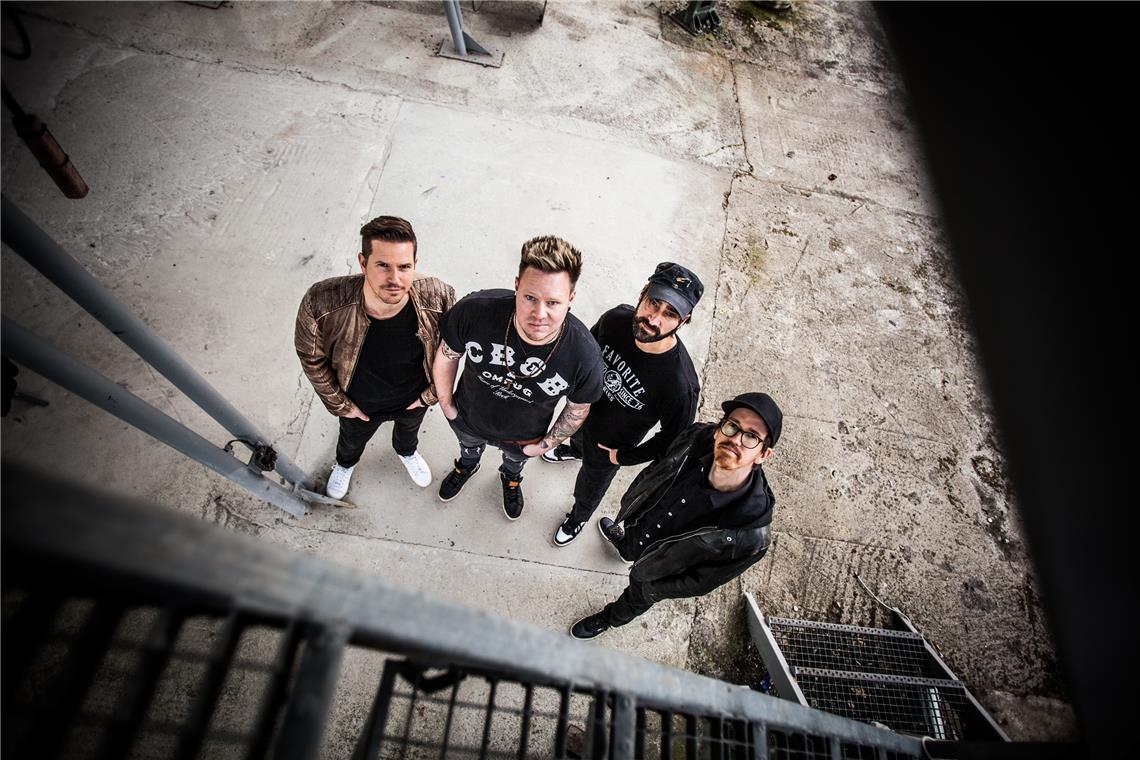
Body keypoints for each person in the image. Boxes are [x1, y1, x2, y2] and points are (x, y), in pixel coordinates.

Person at [569, 392, 783, 639]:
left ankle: (608, 619)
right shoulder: (696, 437)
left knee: (635, 598)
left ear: (763, 455)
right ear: (718, 429)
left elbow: (702, 581)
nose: (736, 439)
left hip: (659, 571)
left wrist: (654, 589)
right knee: (629, 546)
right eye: (732, 426)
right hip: (641, 526)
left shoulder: (750, 534)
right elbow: (659, 468)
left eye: (752, 437)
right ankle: (625, 547)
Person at [433, 235, 604, 520]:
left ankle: (510, 480)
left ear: (571, 299)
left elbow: (578, 409)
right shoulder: (476, 311)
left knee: (514, 464)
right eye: (530, 298)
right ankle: (467, 466)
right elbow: (447, 354)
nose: (540, 314)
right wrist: (446, 403)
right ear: (516, 286)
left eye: (553, 302)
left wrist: (545, 445)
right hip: (468, 416)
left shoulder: (584, 357)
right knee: (468, 449)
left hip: (524, 437)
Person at [295, 215, 455, 499]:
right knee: (351, 440)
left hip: (412, 400)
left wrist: (428, 397)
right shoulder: (322, 302)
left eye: (404, 267)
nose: (395, 279)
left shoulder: (440, 297)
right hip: (359, 403)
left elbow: (451, 352)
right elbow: (311, 357)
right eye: (383, 265)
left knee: (408, 434)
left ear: (415, 264)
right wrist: (341, 405)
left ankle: (406, 452)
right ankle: (345, 464)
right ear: (362, 262)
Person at [544, 262, 703, 547]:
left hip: (610, 446)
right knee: (579, 442)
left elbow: (672, 443)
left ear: (685, 319)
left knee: (589, 487)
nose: (654, 320)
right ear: (642, 294)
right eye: (653, 303)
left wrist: (623, 457)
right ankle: (574, 450)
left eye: (670, 314)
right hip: (583, 413)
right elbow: (585, 356)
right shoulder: (615, 321)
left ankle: (579, 517)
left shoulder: (680, 386)